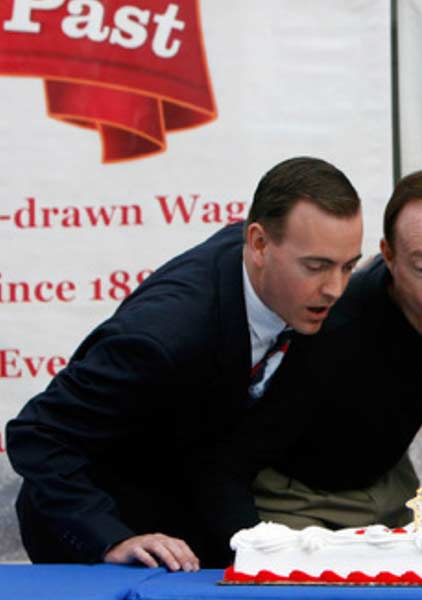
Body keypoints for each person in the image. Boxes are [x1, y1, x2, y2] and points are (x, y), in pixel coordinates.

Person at [5, 157, 364, 570]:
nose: (335, 288)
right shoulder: (165, 333)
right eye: (316, 267)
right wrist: (110, 539)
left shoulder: (296, 292)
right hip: (99, 520)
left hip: (194, 493)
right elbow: (37, 434)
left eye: (348, 266)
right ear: (260, 244)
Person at [193, 169, 422, 561]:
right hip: (300, 495)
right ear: (389, 255)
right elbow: (229, 463)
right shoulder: (331, 327)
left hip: (389, 483)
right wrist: (247, 553)